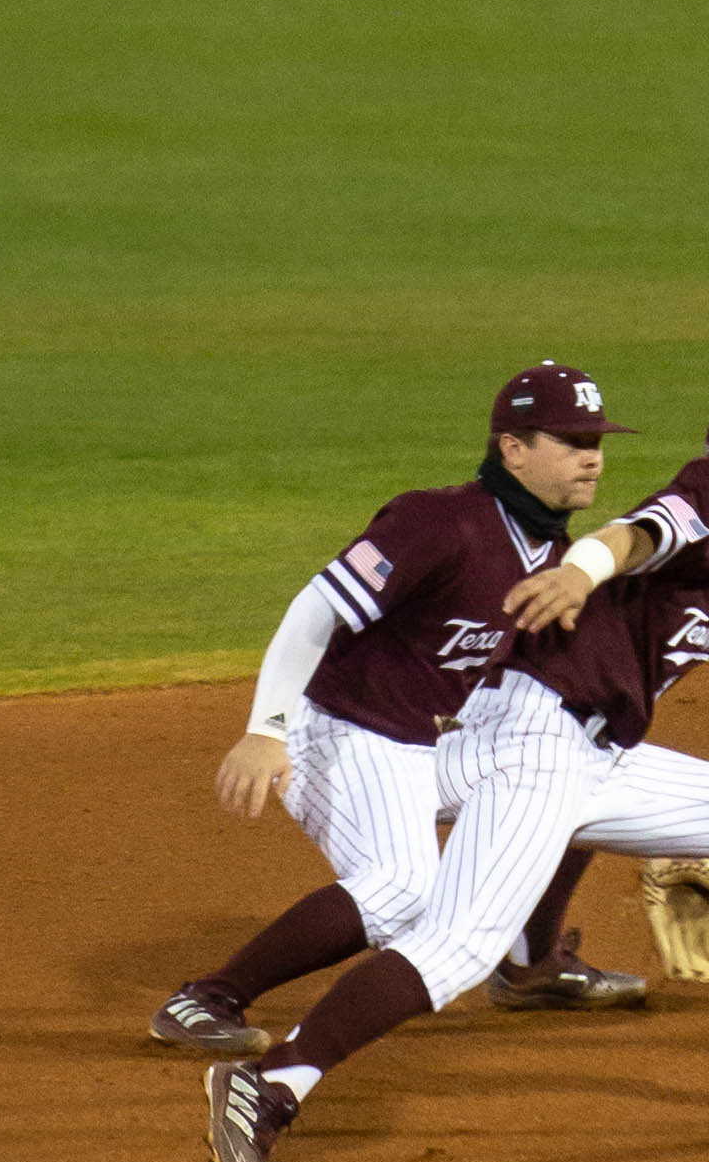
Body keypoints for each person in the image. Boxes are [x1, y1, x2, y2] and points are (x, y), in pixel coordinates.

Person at [202, 384, 709, 1162]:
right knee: (456, 942)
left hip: (588, 752)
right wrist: (580, 573)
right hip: (533, 740)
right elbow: (634, 535)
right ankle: (271, 1084)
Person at [148, 362, 649, 1060]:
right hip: (345, 732)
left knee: (577, 773)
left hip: (429, 745)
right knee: (404, 889)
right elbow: (314, 610)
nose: (592, 456)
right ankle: (206, 997)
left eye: (596, 439)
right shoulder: (438, 521)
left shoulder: (556, 557)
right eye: (570, 440)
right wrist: (266, 731)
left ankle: (531, 962)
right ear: (512, 448)